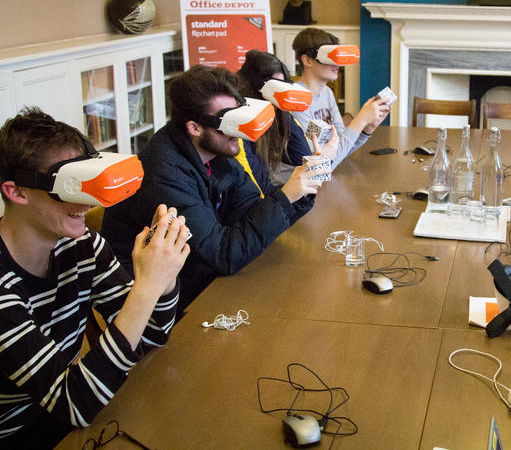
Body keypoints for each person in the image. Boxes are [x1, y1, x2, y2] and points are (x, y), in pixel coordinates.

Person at [0, 108, 189, 447]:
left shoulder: (81, 244)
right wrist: (146, 288)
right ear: (17, 191)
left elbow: (151, 335)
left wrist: (165, 273)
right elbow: (72, 402)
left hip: (71, 410)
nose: (85, 202)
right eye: (70, 187)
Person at [102, 65, 328, 313]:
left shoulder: (218, 151)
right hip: (160, 309)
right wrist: (286, 196)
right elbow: (223, 254)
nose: (238, 130)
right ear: (195, 127)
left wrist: (304, 187)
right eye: (228, 121)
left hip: (205, 282)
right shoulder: (162, 174)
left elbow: (253, 215)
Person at [236, 49, 339, 187]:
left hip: (278, 200)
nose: (280, 94)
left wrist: (321, 161)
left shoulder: (281, 113)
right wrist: (321, 163)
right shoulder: (239, 131)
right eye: (276, 88)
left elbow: (301, 158)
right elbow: (260, 195)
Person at [291, 27, 390, 169]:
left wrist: (366, 129)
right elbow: (317, 166)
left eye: (338, 57)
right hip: (301, 184)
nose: (337, 63)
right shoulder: (296, 100)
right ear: (307, 60)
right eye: (329, 57)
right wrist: (360, 120)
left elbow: (341, 149)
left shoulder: (327, 93)